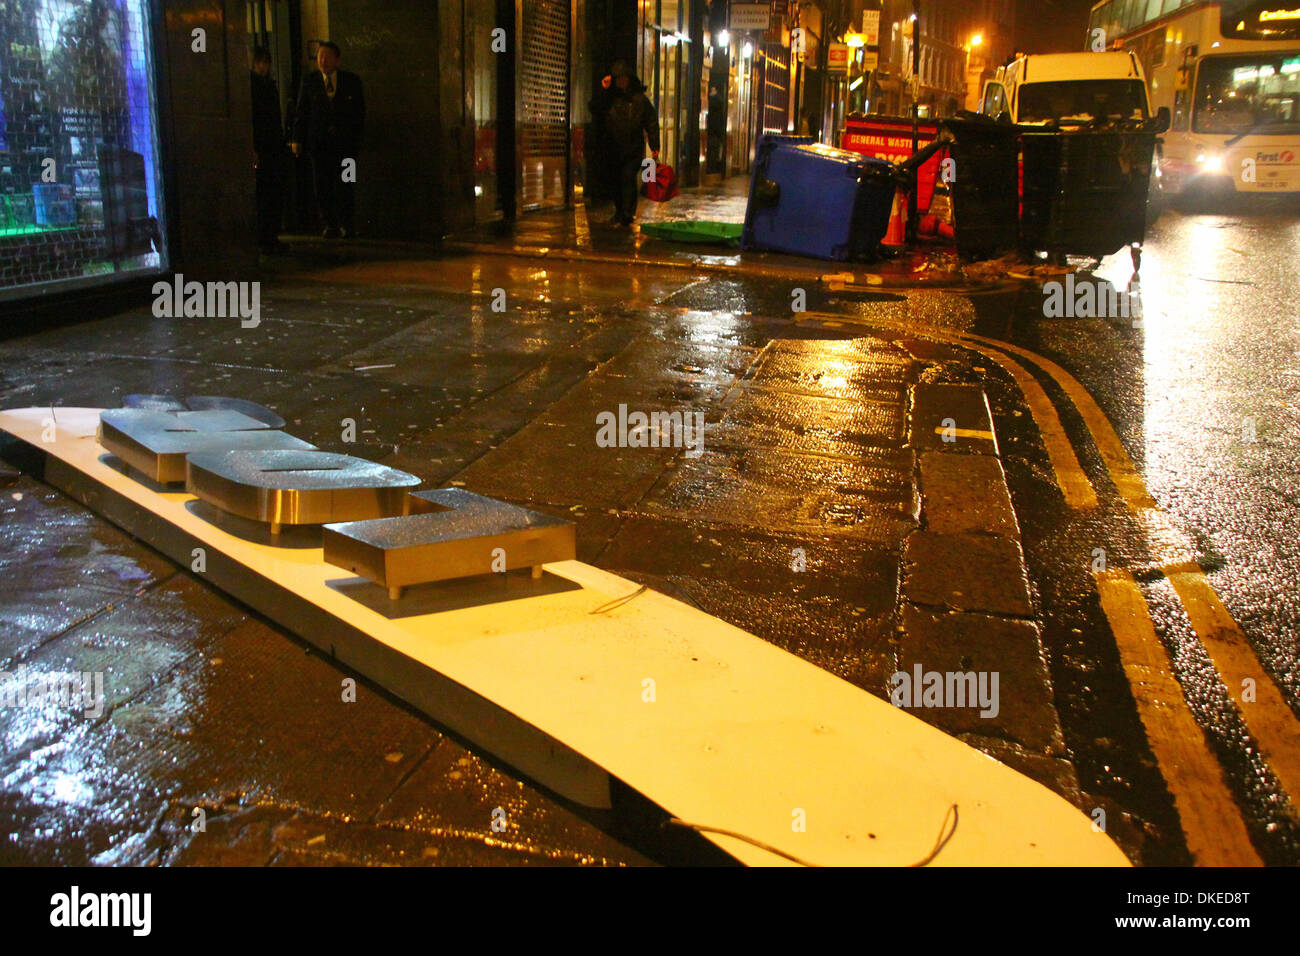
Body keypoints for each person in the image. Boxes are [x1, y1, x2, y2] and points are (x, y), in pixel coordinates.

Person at [290, 41, 365, 238]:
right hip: (319, 145)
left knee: (347, 184)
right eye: (320, 56)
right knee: (322, 186)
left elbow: (359, 113)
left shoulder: (351, 81)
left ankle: (348, 224)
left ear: (337, 59)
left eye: (327, 56)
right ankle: (330, 224)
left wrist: (356, 139)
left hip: (346, 146)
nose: (323, 60)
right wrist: (297, 139)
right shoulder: (310, 81)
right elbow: (301, 112)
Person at [595, 61, 660, 228]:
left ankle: (627, 213)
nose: (621, 82)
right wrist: (604, 89)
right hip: (614, 147)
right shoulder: (609, 98)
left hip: (632, 148)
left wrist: (654, 145)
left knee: (627, 178)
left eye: (624, 78)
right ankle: (620, 211)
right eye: (618, 79)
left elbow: (651, 122)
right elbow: (595, 107)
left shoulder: (639, 100)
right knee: (616, 180)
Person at [250, 47, 288, 254]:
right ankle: (267, 237)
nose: (263, 66)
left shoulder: (265, 86)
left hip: (270, 145)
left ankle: (269, 236)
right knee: (266, 194)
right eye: (260, 62)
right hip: (265, 146)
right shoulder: (259, 86)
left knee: (270, 193)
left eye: (266, 62)